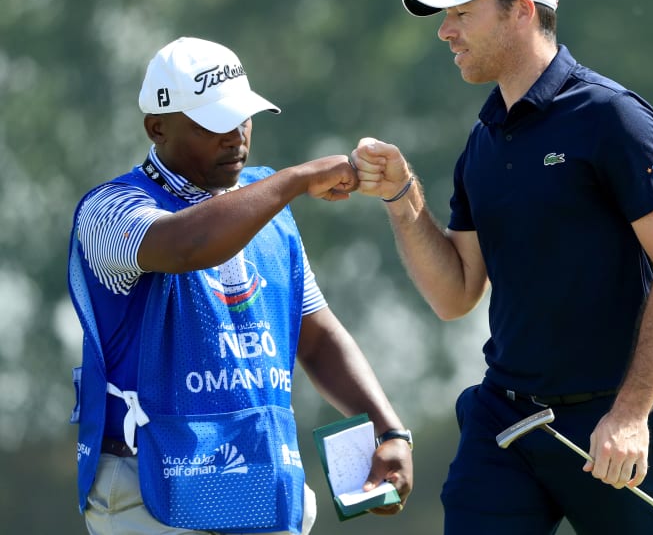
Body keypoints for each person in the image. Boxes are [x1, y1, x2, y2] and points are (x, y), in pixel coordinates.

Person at [350, 0, 653, 533]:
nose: (445, 32)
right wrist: (401, 197)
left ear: (520, 10)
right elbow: (455, 294)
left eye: (462, 14)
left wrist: (632, 413)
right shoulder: (483, 141)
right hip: (507, 419)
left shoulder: (611, 116)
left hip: (613, 421)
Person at [67, 36, 413, 535]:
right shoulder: (110, 209)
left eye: (243, 118)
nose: (235, 136)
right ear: (157, 127)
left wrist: (389, 429)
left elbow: (316, 337)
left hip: (258, 478)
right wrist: (296, 179)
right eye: (213, 123)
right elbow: (186, 246)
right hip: (148, 487)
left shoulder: (267, 207)